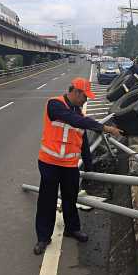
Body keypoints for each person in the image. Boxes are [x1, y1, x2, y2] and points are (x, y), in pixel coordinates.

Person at [34, 77, 122, 255]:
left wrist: (89, 166)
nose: (86, 100)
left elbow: (82, 141)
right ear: (75, 92)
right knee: (47, 201)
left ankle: (72, 229)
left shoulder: (78, 113)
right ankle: (43, 237)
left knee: (70, 198)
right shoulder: (55, 105)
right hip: (49, 163)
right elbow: (75, 121)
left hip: (69, 166)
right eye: (85, 96)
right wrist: (105, 128)